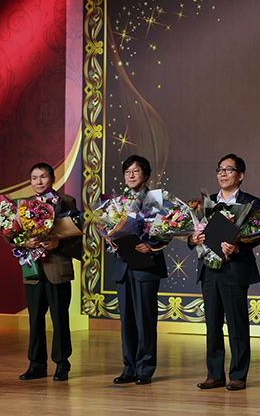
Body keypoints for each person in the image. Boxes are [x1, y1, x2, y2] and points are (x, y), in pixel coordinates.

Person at [189, 154, 260, 391]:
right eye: (220, 169)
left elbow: (256, 235)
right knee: (212, 324)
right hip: (209, 270)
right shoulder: (205, 202)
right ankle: (214, 374)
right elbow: (194, 236)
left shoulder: (252, 202)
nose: (222, 174)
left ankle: (238, 375)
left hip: (234, 269)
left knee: (237, 324)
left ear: (240, 176)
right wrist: (193, 238)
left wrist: (238, 246)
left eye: (228, 170)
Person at [18, 163, 81, 382]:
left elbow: (75, 235)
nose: (38, 181)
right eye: (34, 178)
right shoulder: (22, 206)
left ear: (52, 179)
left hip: (57, 268)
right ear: (30, 181)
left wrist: (57, 243)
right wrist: (24, 240)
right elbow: (11, 234)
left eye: (43, 177)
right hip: (33, 270)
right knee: (35, 319)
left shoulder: (66, 201)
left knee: (59, 318)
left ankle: (62, 364)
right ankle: (36, 365)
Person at [111, 155, 168, 385]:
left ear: (145, 174)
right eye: (127, 172)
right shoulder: (118, 202)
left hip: (145, 266)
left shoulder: (155, 200)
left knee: (145, 319)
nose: (131, 175)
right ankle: (129, 368)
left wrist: (152, 245)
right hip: (123, 266)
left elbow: (167, 229)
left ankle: (145, 368)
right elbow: (111, 229)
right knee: (127, 321)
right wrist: (111, 240)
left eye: (135, 171)